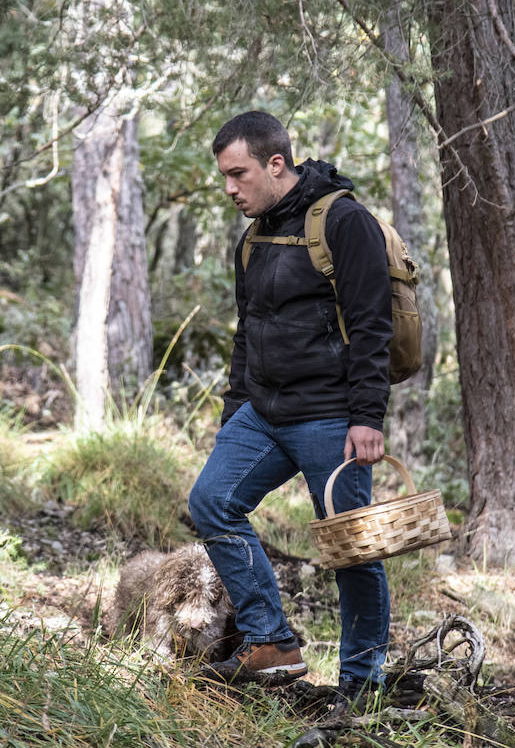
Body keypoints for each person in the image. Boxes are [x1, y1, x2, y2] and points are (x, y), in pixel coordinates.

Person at [188, 110, 393, 704]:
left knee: (350, 548)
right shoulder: (252, 236)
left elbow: (372, 325)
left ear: (276, 164)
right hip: (263, 412)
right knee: (212, 502)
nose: (230, 188)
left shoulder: (344, 221)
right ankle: (271, 641)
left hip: (332, 415)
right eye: (224, 176)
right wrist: (234, 416)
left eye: (238, 174)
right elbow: (245, 332)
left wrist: (367, 418)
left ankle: (362, 683)